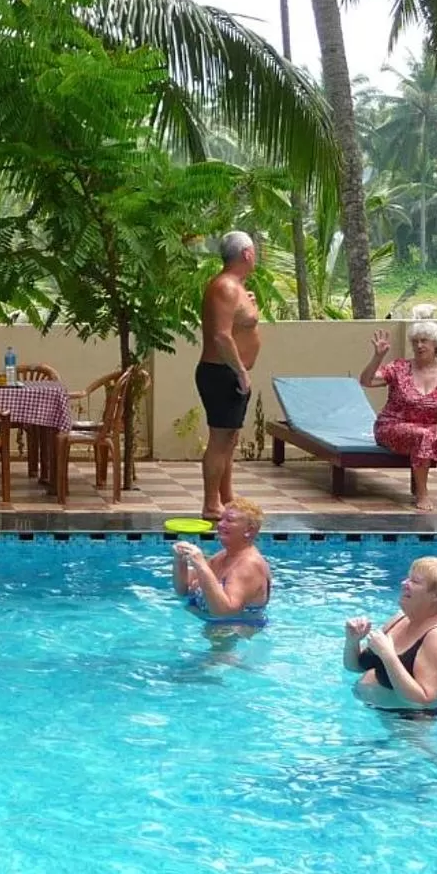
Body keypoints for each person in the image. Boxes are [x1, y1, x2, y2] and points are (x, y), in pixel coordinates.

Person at [358, 320, 437, 511]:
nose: (419, 345)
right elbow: (366, 381)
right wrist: (378, 357)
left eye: (424, 341)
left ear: (436, 345)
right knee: (423, 435)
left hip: (429, 427)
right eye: (415, 341)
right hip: (392, 426)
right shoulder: (399, 368)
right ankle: (422, 494)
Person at [345, 557, 437, 716]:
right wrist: (353, 641)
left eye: (415, 581)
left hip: (408, 724)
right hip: (375, 714)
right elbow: (355, 667)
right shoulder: (401, 619)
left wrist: (388, 656)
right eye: (408, 578)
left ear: (436, 595)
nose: (404, 583)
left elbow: (424, 698)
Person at [197, 231, 261, 519]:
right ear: (246, 254)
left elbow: (235, 325)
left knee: (230, 439)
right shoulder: (225, 286)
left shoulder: (235, 287)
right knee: (220, 440)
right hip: (221, 373)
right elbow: (221, 337)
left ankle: (226, 497)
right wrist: (240, 372)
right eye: (255, 251)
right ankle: (211, 505)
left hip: (230, 372)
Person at [171, 497, 272, 621]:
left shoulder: (249, 565)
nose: (220, 524)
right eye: (221, 519)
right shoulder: (223, 555)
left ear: (249, 530)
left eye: (229, 520)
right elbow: (183, 590)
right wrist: (180, 560)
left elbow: (224, 613)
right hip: (209, 625)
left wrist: (201, 565)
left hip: (232, 630)